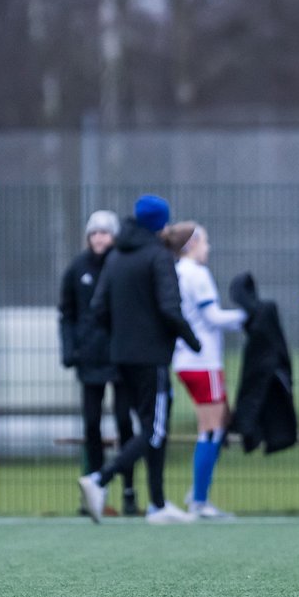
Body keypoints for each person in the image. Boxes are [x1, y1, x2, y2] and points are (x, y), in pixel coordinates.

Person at [77, 195, 202, 525]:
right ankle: (99, 479)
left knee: (150, 428)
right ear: (160, 223)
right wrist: (192, 341)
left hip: (121, 358)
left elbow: (98, 309)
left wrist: (121, 337)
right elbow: (169, 308)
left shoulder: (116, 256)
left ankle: (157, 505)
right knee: (154, 428)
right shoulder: (159, 257)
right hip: (152, 359)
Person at [162, 221, 246, 518]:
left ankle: (199, 491)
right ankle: (199, 499)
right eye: (205, 242)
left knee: (217, 424)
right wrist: (249, 316)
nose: (208, 248)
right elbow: (212, 317)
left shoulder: (177, 271)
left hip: (189, 360)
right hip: (202, 361)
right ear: (192, 244)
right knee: (211, 429)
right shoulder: (196, 274)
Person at [59, 210, 138, 515]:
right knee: (92, 424)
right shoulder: (76, 269)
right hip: (89, 359)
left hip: (120, 357)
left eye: (105, 232)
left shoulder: (122, 266)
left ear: (114, 236)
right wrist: (70, 349)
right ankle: (94, 491)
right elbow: (66, 314)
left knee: (124, 422)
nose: (99, 238)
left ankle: (129, 490)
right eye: (94, 233)